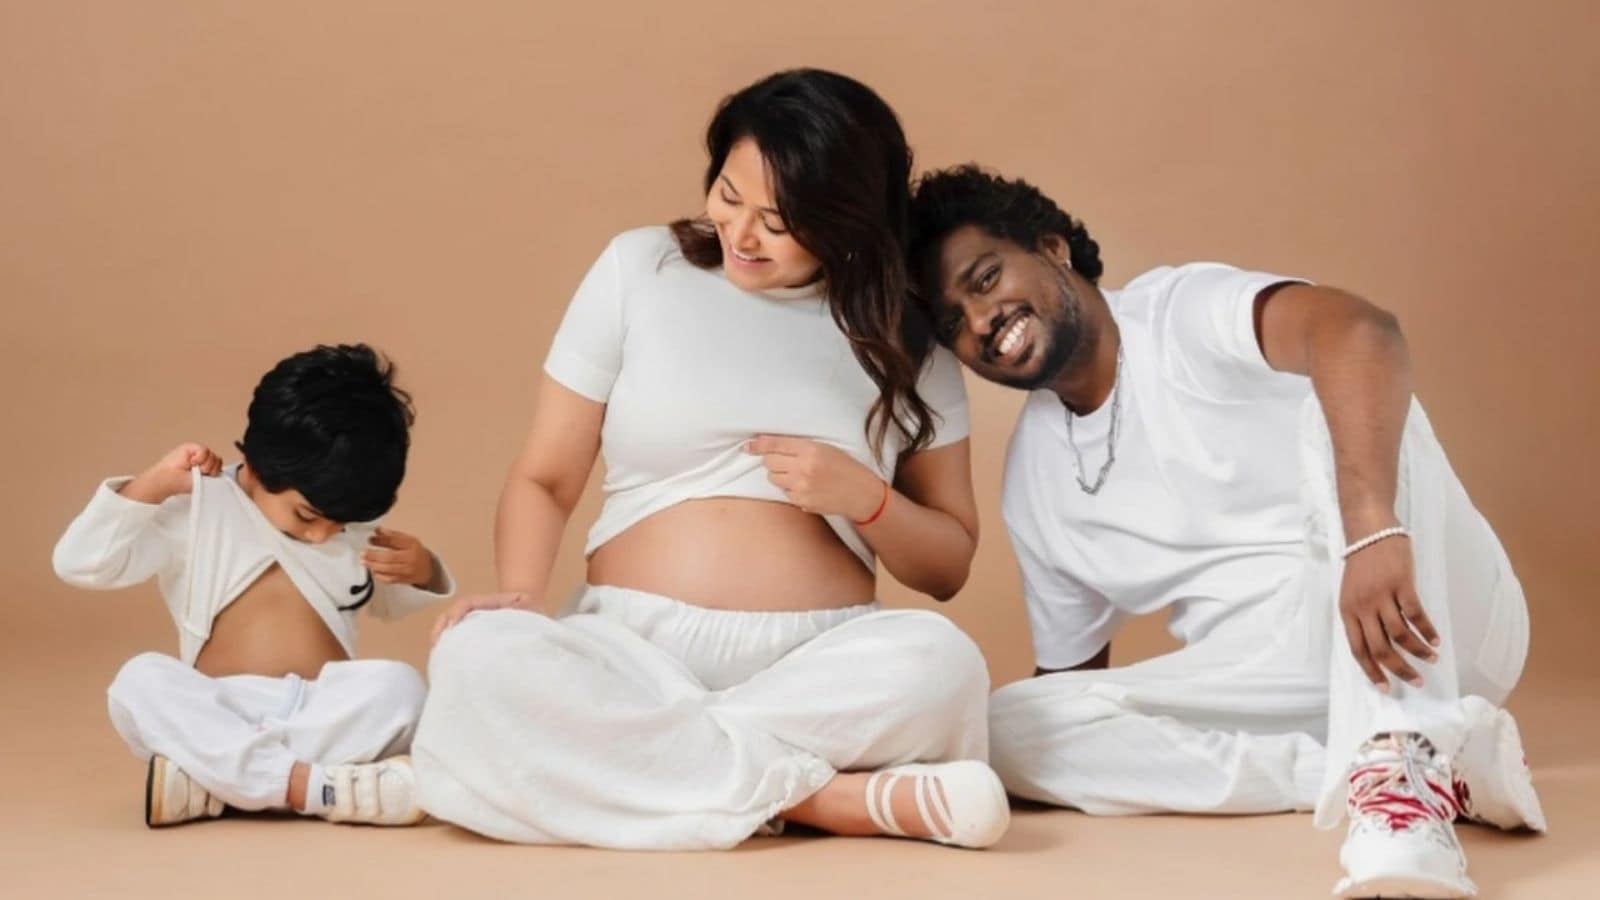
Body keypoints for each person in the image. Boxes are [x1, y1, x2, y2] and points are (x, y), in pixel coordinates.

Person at [905, 165, 1543, 898]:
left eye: (985, 279)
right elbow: (1075, 689)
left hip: (1431, 610)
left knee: (1342, 386)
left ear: (1052, 248)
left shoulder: (1178, 313)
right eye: (953, 322)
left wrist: (1369, 534)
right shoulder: (1033, 481)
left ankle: (1404, 799)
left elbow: (1362, 330)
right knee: (1011, 727)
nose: (980, 321)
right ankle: (1407, 770)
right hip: (1284, 682)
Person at [412, 69, 1009, 851]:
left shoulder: (908, 337)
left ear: (847, 221)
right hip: (629, 648)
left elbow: (948, 565)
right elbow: (545, 478)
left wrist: (865, 498)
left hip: (819, 662)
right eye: (728, 196)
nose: (741, 234)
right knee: (480, 655)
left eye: (777, 221)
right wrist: (522, 597)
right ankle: (822, 798)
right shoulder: (638, 269)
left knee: (945, 665)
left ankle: (645, 768)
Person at [53, 344, 456, 828]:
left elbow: (390, 604)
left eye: (339, 523)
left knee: (401, 688)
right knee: (138, 682)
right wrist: (151, 486)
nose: (322, 535)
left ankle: (218, 782)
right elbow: (81, 564)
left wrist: (422, 570)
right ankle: (317, 788)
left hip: (322, 712)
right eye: (307, 516)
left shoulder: (346, 526)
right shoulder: (199, 505)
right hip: (221, 707)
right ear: (259, 467)